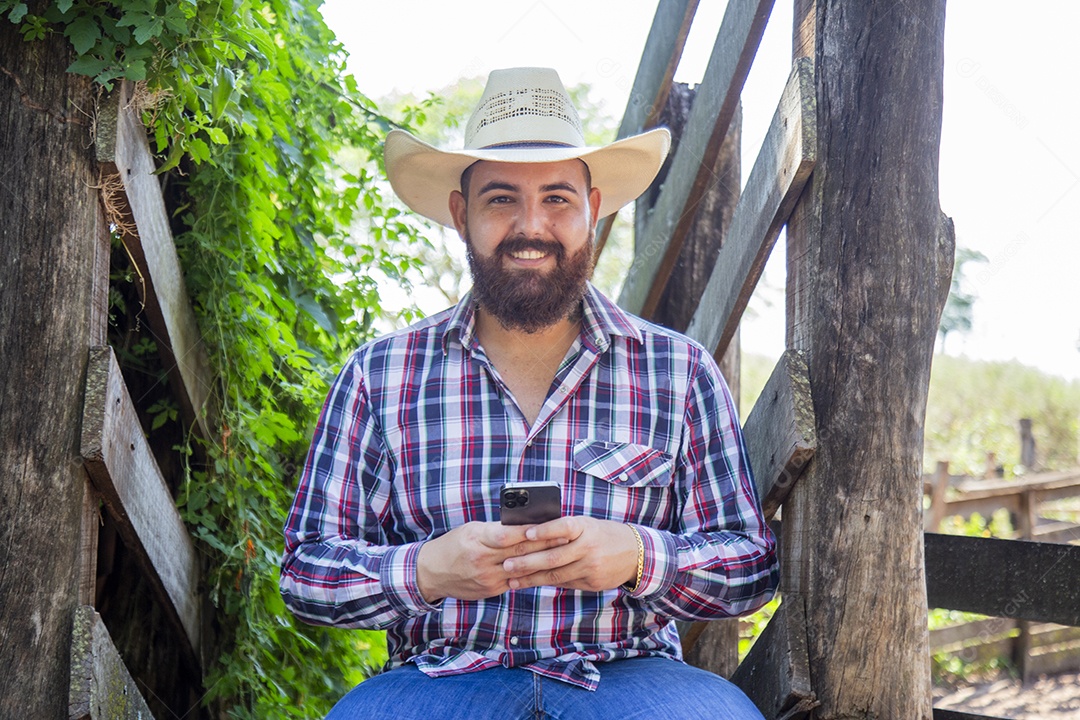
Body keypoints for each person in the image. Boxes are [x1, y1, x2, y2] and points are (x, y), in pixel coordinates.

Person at [281, 67, 778, 719]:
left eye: (557, 199)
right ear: (460, 214)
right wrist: (428, 569)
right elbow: (306, 574)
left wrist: (637, 556)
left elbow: (750, 567)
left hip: (632, 675)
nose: (530, 226)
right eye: (500, 199)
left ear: (593, 210)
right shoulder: (380, 375)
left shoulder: (679, 371)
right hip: (436, 679)